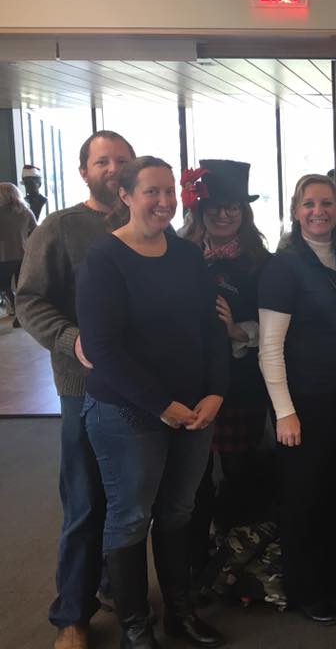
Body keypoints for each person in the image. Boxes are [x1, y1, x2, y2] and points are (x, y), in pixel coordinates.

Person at [76, 155, 229, 649]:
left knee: (179, 512)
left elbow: (211, 329)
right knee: (131, 517)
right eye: (152, 192)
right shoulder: (104, 259)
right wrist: (161, 403)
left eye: (169, 192)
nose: (164, 201)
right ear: (125, 196)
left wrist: (216, 390)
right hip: (128, 411)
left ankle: (178, 615)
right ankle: (136, 630)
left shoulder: (186, 256)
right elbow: (102, 350)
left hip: (193, 408)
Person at [17, 130, 135, 649]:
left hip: (142, 390)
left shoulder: (150, 225)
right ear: (84, 170)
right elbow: (31, 301)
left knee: (130, 500)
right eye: (102, 160)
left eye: (122, 160)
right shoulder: (60, 228)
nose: (113, 168)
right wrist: (70, 339)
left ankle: (113, 586)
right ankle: (72, 614)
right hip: (82, 389)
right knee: (86, 501)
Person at [258, 174, 336, 625]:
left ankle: (332, 574)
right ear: (295, 210)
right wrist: (285, 412)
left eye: (327, 203)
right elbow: (269, 347)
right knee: (303, 498)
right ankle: (305, 590)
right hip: (302, 403)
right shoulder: (283, 267)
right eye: (309, 204)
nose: (318, 211)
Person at [180, 159, 271, 571]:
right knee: (193, 479)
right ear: (199, 210)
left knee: (239, 471)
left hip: (241, 383)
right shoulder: (176, 255)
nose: (223, 214)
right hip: (188, 383)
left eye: (232, 206)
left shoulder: (260, 261)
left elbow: (277, 321)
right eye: (214, 206)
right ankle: (196, 563)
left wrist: (239, 331)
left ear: (243, 211)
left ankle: (239, 559)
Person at [0, 182, 37, 325]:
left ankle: (11, 302)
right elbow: (35, 229)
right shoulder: (25, 211)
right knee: (20, 286)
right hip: (22, 254)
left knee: (4, 286)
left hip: (2, 256)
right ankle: (19, 317)